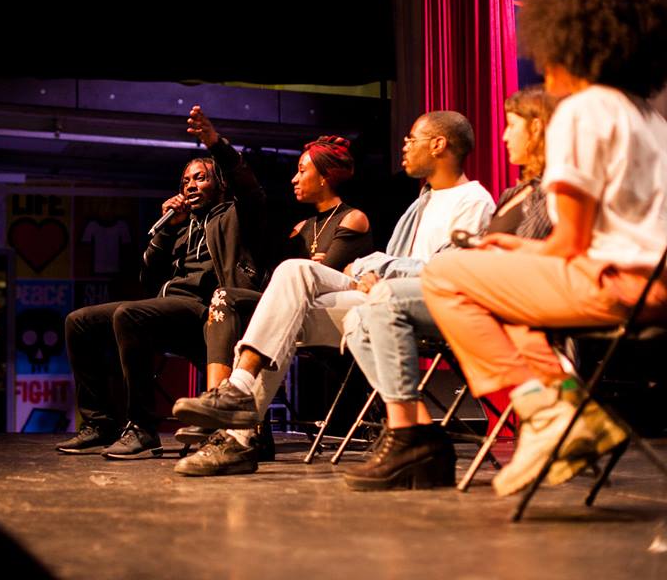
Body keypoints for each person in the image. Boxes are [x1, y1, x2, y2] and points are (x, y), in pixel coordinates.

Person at [421, 0, 667, 496]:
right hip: (654, 283)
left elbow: (571, 246)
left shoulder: (583, 110)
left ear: (567, 37)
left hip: (620, 286)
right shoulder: (650, 119)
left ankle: (545, 409)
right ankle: (563, 403)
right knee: (498, 277)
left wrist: (514, 253)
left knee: (446, 275)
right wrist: (514, 252)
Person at [173, 110, 496, 475]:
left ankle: (237, 415)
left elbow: (449, 272)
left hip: (424, 305)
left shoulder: (473, 201)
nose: (404, 146)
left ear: (438, 145)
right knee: (293, 277)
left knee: (295, 288)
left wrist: (373, 269)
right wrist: (374, 271)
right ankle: (239, 420)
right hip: (380, 295)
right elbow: (392, 262)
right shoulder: (420, 203)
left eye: (412, 139)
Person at [340, 86, 556, 490]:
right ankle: (419, 432)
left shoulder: (547, 193)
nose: (503, 135)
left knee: (384, 299)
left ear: (538, 130)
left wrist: (389, 272)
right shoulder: (513, 194)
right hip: (466, 292)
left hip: (494, 300)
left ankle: (410, 436)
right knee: (356, 317)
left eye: (512, 125)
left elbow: (521, 263)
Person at [55, 105, 273, 459]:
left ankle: (142, 427)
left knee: (129, 314)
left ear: (219, 183)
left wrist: (215, 143)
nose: (191, 186)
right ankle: (99, 423)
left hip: (208, 311)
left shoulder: (236, 215)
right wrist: (167, 231)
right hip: (171, 309)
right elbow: (149, 279)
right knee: (78, 322)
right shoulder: (181, 227)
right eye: (185, 181)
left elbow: (248, 186)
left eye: (200, 178)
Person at [176, 133, 374, 448]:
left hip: (336, 314)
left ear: (324, 177)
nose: (294, 178)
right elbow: (279, 281)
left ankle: (232, 412)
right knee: (226, 299)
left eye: (302, 171)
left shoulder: (353, 219)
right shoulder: (300, 228)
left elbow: (319, 280)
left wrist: (311, 267)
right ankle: (223, 406)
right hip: (299, 310)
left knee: (246, 297)